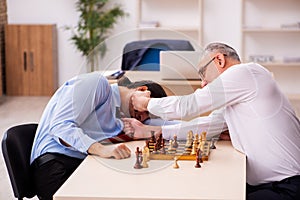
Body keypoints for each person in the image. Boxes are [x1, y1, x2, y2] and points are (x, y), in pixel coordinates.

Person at [130, 42, 300, 200]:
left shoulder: (245, 72)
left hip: (287, 187)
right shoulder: (236, 94)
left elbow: (188, 106)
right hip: (267, 185)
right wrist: (155, 132)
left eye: (203, 74)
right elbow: (209, 125)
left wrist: (146, 103)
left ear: (219, 60)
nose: (203, 84)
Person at [30, 72, 167, 200]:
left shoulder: (123, 118)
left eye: (148, 116)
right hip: (54, 168)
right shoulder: (97, 84)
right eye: (147, 108)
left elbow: (168, 123)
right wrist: (101, 149)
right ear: (141, 90)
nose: (143, 118)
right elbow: (60, 127)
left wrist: (152, 128)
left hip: (79, 165)